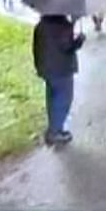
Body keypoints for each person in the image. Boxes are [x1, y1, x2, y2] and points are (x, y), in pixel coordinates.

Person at [32, 15, 84, 146]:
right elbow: (67, 47)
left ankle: (56, 127)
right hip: (62, 69)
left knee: (52, 99)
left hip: (47, 69)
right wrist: (79, 41)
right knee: (63, 100)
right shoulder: (62, 26)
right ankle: (54, 132)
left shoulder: (41, 26)